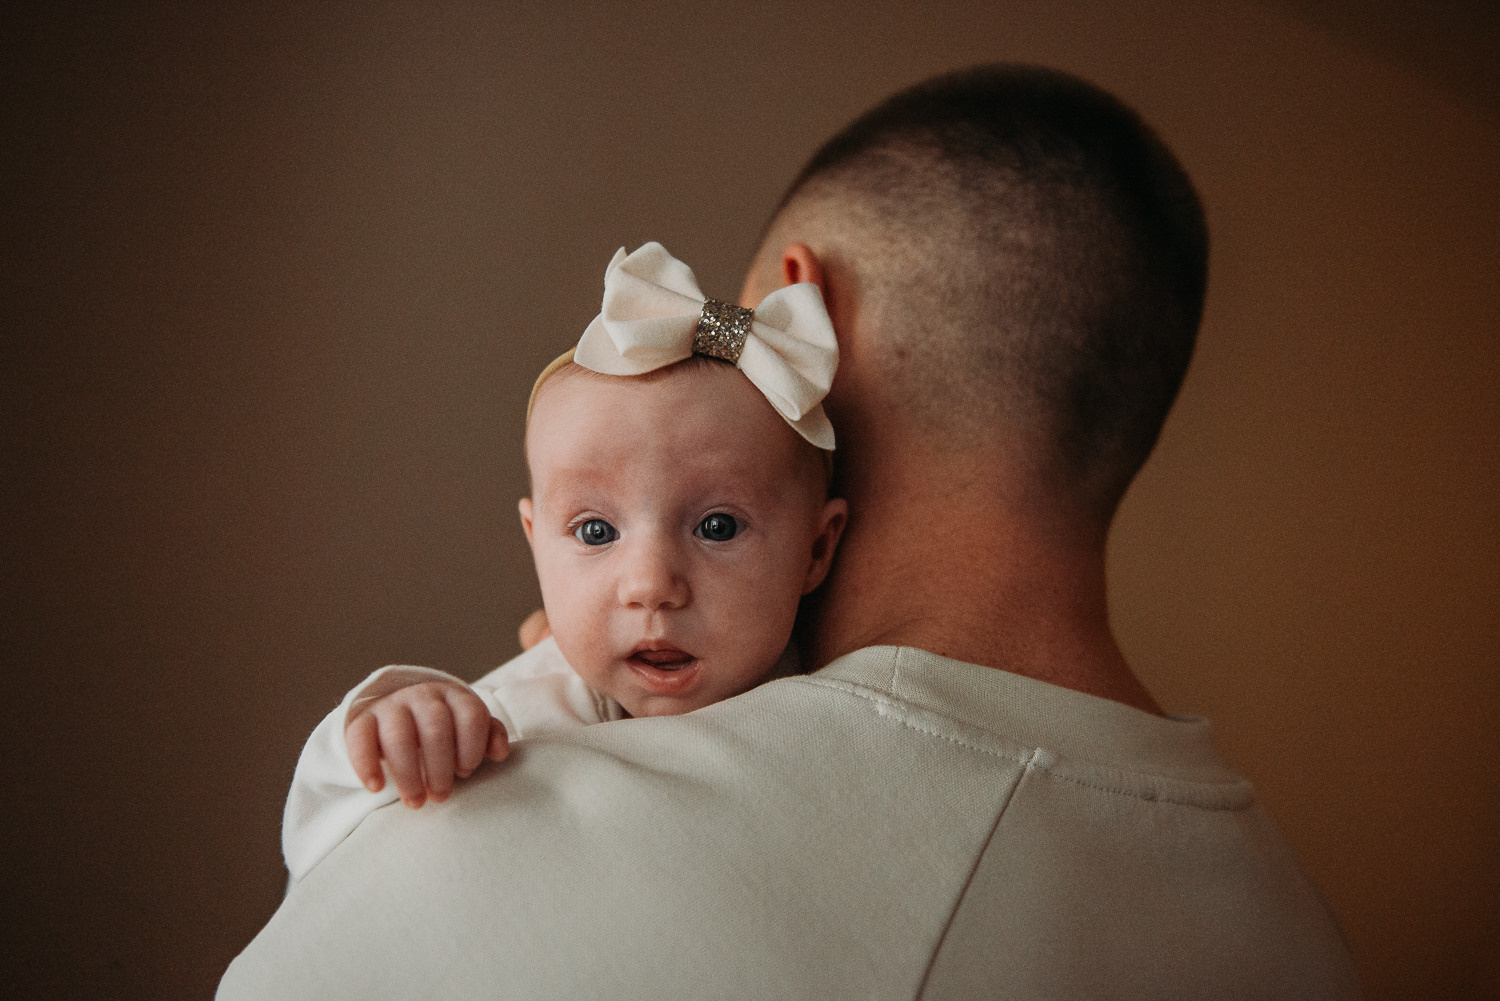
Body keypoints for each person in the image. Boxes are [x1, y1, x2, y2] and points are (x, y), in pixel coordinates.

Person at [220, 65, 1361, 999]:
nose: (652, 577)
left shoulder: (504, 833)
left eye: (714, 520)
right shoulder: (1303, 941)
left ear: (804, 307)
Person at [282, 242, 847, 880]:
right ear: (535, 541)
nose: (650, 587)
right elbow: (320, 844)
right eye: (596, 530)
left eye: (717, 527)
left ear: (817, 549)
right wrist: (396, 727)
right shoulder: (516, 717)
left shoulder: (845, 719)